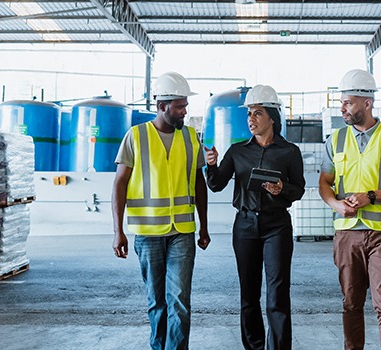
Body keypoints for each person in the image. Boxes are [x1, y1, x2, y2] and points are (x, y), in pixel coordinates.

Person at [318, 69, 381, 350]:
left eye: (348, 102)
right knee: (350, 303)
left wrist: (371, 196)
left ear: (367, 103)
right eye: (342, 102)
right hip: (346, 235)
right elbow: (324, 183)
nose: (342, 108)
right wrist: (336, 204)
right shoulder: (335, 140)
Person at [112, 71, 211, 350]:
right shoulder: (136, 136)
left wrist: (204, 226)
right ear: (162, 107)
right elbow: (119, 183)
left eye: (185, 106)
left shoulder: (191, 138)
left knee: (180, 301)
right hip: (147, 233)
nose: (184, 111)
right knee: (157, 302)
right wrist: (118, 231)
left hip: (182, 231)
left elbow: (198, 183)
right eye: (179, 106)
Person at [204, 84, 305, 350]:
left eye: (257, 113)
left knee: (277, 295)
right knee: (249, 295)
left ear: (272, 116)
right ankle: (254, 347)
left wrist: (282, 188)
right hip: (245, 226)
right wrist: (211, 165)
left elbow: (299, 190)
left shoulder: (290, 152)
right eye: (248, 114)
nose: (251, 119)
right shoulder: (238, 152)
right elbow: (216, 185)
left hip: (277, 227)